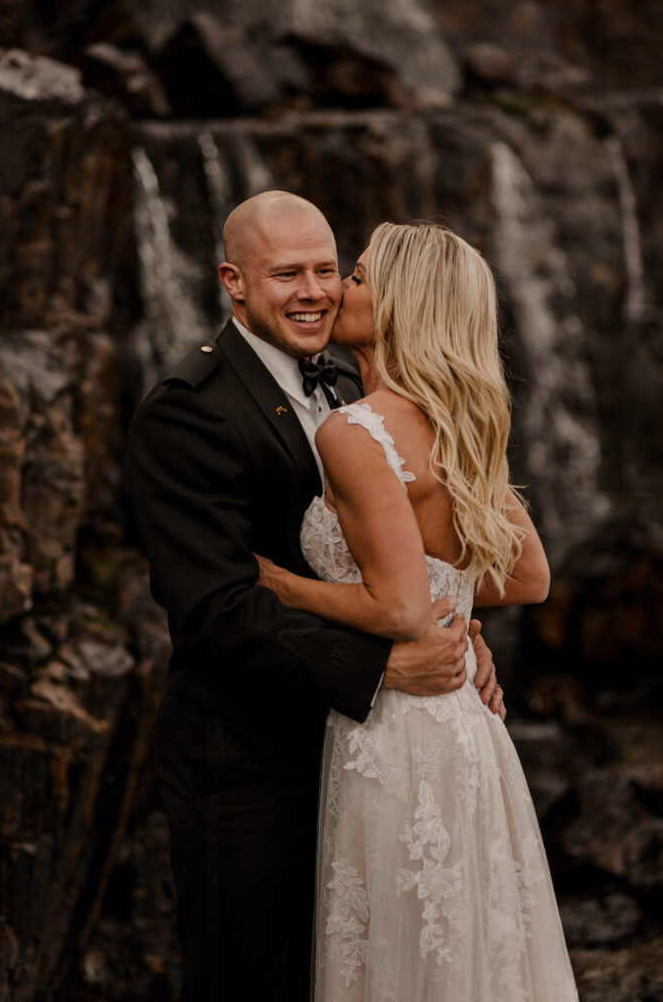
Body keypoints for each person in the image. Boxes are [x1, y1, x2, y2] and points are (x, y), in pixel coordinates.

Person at [124, 192, 502, 1001]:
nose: (314, 291)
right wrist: (387, 666)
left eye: (327, 270)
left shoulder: (344, 377)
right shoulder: (188, 413)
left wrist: (460, 626)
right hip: (249, 766)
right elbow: (218, 611)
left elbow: (407, 546)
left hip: (369, 758)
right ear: (234, 281)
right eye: (286, 274)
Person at [255, 221, 579, 1000]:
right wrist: (455, 603)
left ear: (402, 304)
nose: (337, 289)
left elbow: (398, 607)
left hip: (396, 727)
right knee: (470, 944)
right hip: (467, 728)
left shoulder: (355, 431)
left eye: (358, 278)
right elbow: (527, 577)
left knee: (401, 953)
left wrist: (277, 582)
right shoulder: (460, 424)